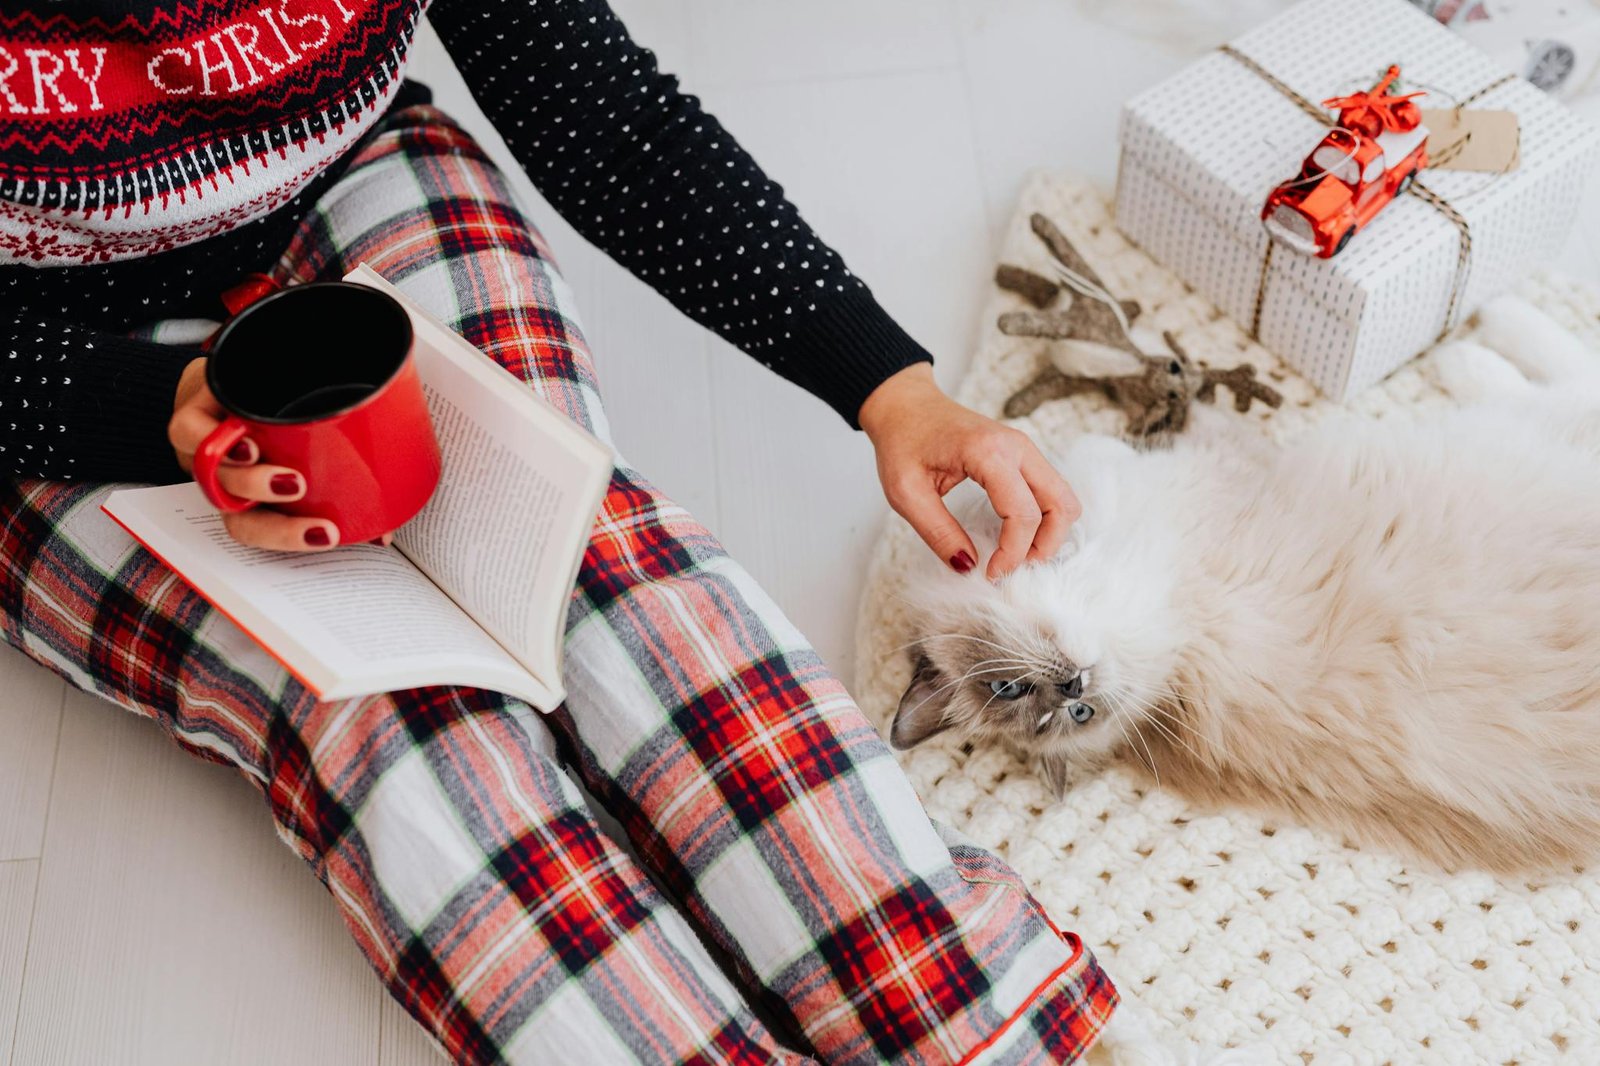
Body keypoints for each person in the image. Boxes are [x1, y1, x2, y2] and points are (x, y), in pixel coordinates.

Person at [0, 1, 1116, 1062]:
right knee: (386, 718)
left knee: (591, 557)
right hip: (48, 367)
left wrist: (889, 388)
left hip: (352, 177)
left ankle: (971, 1019)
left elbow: (611, 124)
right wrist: (147, 411)